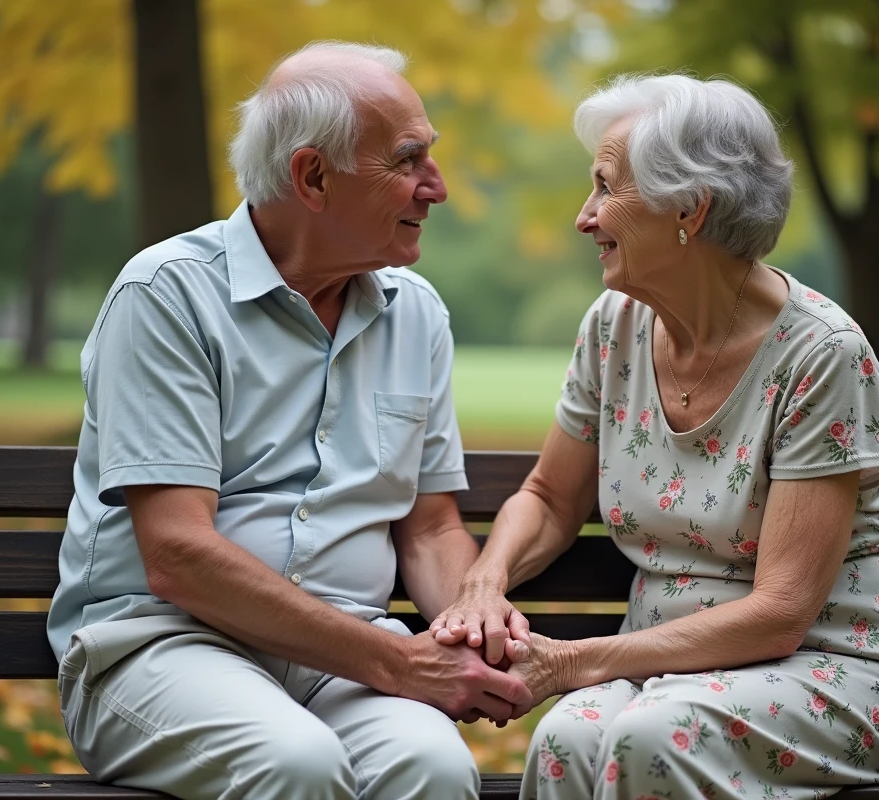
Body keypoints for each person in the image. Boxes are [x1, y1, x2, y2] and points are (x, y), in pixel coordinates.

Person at [431, 74, 879, 800]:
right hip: (667, 674)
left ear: (689, 210)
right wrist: (484, 582)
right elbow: (547, 497)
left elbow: (781, 614)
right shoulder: (614, 327)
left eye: (606, 188)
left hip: (836, 670)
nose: (585, 216)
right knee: (566, 738)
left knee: (651, 740)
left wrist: (571, 662)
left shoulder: (820, 354)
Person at [46, 41, 531, 800]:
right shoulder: (167, 295)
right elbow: (177, 554)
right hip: (160, 647)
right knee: (295, 764)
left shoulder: (417, 314)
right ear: (312, 176)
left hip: (344, 657)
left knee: (433, 769)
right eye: (408, 161)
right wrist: (400, 665)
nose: (436, 187)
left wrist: (473, 625)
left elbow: (429, 526)